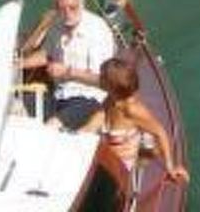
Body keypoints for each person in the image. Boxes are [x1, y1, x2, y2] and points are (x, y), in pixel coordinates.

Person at [77, 56, 189, 189]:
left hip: (119, 167)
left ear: (112, 85)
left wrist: (170, 167)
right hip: (103, 156)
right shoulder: (111, 99)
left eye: (102, 77)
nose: (98, 78)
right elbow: (94, 122)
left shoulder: (132, 110)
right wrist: (75, 136)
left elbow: (160, 132)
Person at [19, 0, 117, 129]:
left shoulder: (98, 32)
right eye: (62, 9)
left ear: (82, 4)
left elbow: (103, 81)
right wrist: (19, 64)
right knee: (16, 107)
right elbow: (48, 54)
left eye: (73, 8)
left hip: (88, 99)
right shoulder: (57, 23)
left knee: (50, 128)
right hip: (58, 94)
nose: (67, 14)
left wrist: (67, 72)